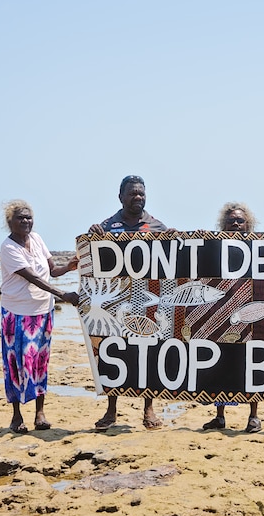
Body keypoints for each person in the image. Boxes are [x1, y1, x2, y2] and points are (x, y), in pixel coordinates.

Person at [89, 175, 170, 431]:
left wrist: (177, 241)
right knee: (114, 352)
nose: (138, 197)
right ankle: (111, 410)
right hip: (117, 302)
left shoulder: (157, 227)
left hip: (148, 303)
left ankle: (148, 409)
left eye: (141, 193)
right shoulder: (107, 227)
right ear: (120, 196)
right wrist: (93, 238)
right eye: (133, 193)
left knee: (148, 354)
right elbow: (91, 262)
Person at [0, 200, 79, 434]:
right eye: (20, 218)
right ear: (10, 222)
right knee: (16, 364)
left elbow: (52, 271)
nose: (26, 221)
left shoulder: (37, 239)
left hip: (43, 312)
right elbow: (32, 278)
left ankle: (40, 414)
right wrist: (63, 294)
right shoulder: (9, 248)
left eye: (28, 217)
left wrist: (71, 266)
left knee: (40, 362)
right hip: (17, 313)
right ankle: (16, 416)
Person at [202, 202, 263, 433]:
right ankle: (220, 416)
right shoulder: (214, 246)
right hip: (220, 314)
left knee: (253, 365)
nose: (236, 224)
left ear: (248, 224)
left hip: (250, 313)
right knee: (221, 365)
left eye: (240, 221)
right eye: (231, 221)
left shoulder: (261, 247)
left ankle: (254, 417)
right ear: (223, 225)